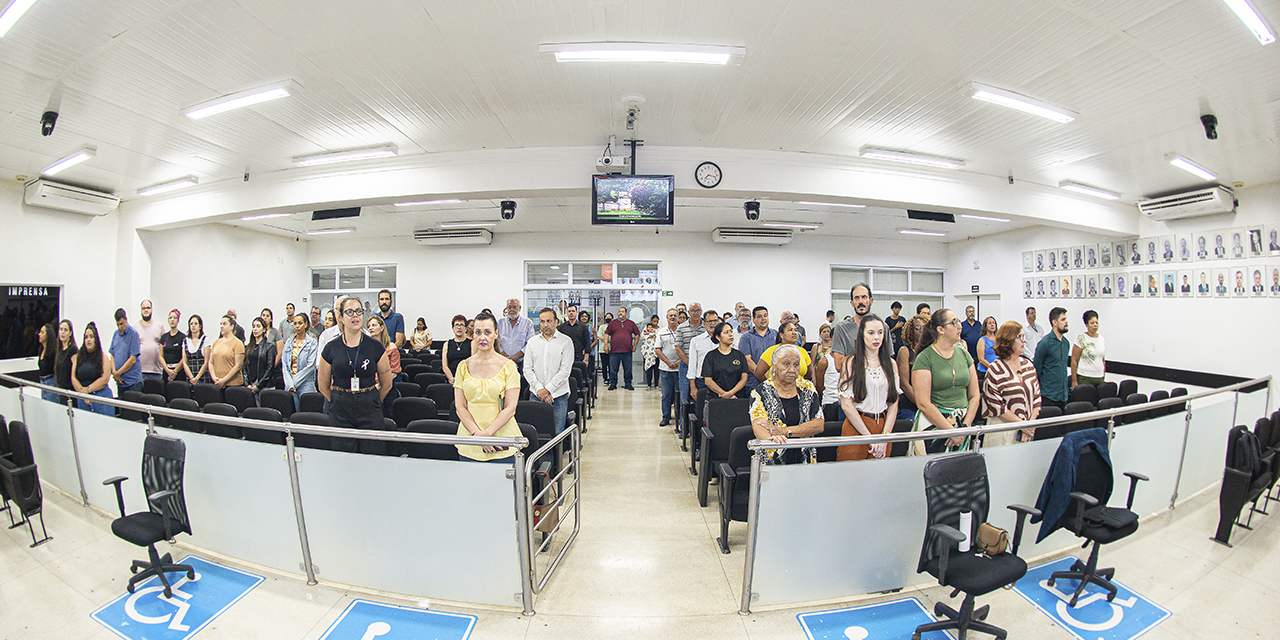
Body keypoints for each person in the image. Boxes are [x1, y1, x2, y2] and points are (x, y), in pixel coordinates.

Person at [319, 297, 394, 453]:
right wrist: (338, 400)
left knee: (373, 452)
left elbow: (386, 383)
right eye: (349, 312)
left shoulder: (375, 346)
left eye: (359, 311)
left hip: (369, 406)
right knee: (343, 455)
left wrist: (371, 400)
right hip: (340, 408)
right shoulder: (330, 348)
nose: (355, 316)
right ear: (340, 317)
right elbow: (323, 385)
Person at [910, 309, 980, 456]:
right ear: (940, 329)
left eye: (958, 321)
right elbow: (923, 403)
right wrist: (950, 431)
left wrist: (964, 428)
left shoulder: (964, 354)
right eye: (954, 322)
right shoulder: (925, 358)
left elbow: (974, 395)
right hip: (934, 425)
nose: (959, 326)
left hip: (961, 425)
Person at [453, 312, 522, 462]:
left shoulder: (508, 366)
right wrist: (477, 435)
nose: (482, 337)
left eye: (487, 332)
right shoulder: (463, 366)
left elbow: (510, 408)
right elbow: (460, 406)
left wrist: (487, 434)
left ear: (496, 334)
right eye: (478, 332)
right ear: (472, 335)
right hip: (470, 440)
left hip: (500, 441)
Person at [836, 314, 899, 461]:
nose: (876, 337)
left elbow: (893, 403)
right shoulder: (851, 362)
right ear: (862, 335)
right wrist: (870, 438)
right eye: (871, 333)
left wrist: (884, 436)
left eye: (880, 332)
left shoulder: (891, 364)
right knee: (851, 477)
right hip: (857, 425)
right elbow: (846, 405)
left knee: (879, 478)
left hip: (883, 426)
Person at [749, 344, 824, 465]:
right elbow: (759, 426)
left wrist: (786, 431)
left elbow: (818, 425)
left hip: (805, 457)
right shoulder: (760, 391)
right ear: (774, 366)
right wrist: (773, 438)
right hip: (774, 457)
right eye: (786, 364)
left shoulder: (808, 388)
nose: (792, 369)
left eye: (796, 364)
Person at [981, 321, 1042, 447]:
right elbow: (997, 406)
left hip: (1027, 432)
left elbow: (1037, 399)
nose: (1024, 340)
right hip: (1002, 433)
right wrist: (1022, 425)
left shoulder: (1028, 365)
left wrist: (1029, 425)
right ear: (1008, 340)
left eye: (1024, 336)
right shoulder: (995, 369)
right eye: (1020, 337)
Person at [525, 307, 574, 434]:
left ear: (556, 322)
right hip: (537, 395)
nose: (545, 325)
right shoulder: (532, 342)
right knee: (536, 432)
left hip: (558, 395)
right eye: (542, 321)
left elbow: (565, 371)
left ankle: (556, 454)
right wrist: (540, 390)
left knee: (557, 433)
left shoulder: (566, 342)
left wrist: (548, 390)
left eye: (549, 321)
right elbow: (527, 370)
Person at [702, 322, 749, 419]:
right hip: (716, 399)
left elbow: (744, 379)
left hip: (737, 399)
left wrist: (730, 393)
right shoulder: (711, 356)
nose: (730, 334)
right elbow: (708, 380)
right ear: (718, 337)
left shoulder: (740, 355)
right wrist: (724, 394)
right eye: (726, 332)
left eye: (731, 332)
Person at [71, 322, 114, 416]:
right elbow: (73, 377)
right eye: (86, 337)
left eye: (91, 336)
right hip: (83, 399)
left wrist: (88, 390)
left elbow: (104, 379)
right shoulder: (79, 357)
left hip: (101, 399)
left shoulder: (103, 356)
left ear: (96, 339)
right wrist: (83, 393)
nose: (88, 340)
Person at [1034, 307, 1071, 410]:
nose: (1066, 322)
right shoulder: (1045, 343)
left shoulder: (1066, 343)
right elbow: (1037, 369)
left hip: (1063, 395)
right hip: (1048, 396)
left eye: (1066, 319)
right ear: (1054, 322)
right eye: (1063, 319)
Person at [830, 284, 873, 370]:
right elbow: (838, 366)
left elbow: (887, 362)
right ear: (852, 303)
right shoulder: (841, 328)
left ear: (871, 301)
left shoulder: (882, 328)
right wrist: (861, 352)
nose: (861, 301)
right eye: (857, 298)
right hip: (851, 381)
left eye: (864, 297)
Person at [895, 312, 928, 422]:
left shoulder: (932, 351)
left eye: (925, 327)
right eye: (918, 328)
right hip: (909, 404)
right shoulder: (905, 351)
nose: (922, 331)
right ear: (911, 331)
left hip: (929, 403)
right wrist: (922, 404)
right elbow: (904, 384)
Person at [282, 313, 318, 411]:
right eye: (295, 323)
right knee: (291, 415)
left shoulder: (312, 342)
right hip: (289, 384)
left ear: (306, 324)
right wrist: (290, 384)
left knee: (306, 416)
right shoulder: (289, 342)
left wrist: (294, 382)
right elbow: (284, 365)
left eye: (300, 323)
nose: (297, 326)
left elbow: (310, 366)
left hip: (305, 383)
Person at [366, 314, 401, 416]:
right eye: (369, 326)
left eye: (374, 325)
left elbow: (394, 372)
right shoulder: (366, 348)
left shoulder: (391, 347)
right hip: (370, 389)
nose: (371, 328)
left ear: (381, 328)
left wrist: (379, 385)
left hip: (387, 388)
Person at [739, 305, 778, 391]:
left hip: (775, 383)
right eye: (759, 316)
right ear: (753, 320)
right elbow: (747, 360)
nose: (763, 318)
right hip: (753, 383)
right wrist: (763, 377)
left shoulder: (776, 334)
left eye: (765, 316)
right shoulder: (746, 337)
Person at [106, 308, 143, 395]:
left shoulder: (133, 334)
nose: (120, 327)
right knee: (121, 408)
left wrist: (118, 373)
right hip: (120, 382)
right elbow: (112, 354)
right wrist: (114, 372)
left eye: (122, 324)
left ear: (126, 320)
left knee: (132, 408)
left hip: (132, 382)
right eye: (117, 324)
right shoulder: (116, 334)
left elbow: (132, 359)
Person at [655, 308, 681, 427]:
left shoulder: (682, 331)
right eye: (670, 315)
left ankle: (680, 417)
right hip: (665, 369)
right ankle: (665, 417)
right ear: (667, 318)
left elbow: (687, 349)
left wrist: (679, 362)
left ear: (678, 317)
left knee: (680, 394)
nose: (673, 317)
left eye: (675, 315)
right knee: (666, 395)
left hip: (680, 369)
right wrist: (668, 362)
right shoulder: (661, 332)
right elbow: (658, 350)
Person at [607, 306, 642, 390]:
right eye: (619, 311)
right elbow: (606, 334)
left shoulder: (631, 323)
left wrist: (635, 345)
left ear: (626, 313)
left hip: (627, 350)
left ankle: (628, 383)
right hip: (614, 350)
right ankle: (613, 383)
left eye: (622, 311)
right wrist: (605, 344)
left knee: (628, 368)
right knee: (613, 368)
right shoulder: (613, 323)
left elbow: (637, 334)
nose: (620, 313)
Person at [497, 298, 535, 371]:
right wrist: (507, 358)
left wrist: (515, 357)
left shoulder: (527, 323)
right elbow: (497, 342)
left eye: (514, 307)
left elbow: (530, 343)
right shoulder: (500, 323)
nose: (512, 310)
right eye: (509, 307)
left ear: (519, 308)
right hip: (503, 363)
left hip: (521, 364)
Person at [243, 317, 277, 398]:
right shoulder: (248, 347)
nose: (255, 329)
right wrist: (247, 384)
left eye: (258, 326)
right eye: (253, 326)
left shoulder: (269, 346)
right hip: (251, 385)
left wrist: (259, 386)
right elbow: (244, 366)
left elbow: (270, 368)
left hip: (265, 386)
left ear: (264, 329)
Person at [1071, 310, 1106, 387]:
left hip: (1099, 377)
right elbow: (1074, 360)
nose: (1095, 325)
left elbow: (1102, 359)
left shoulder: (1101, 338)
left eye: (1096, 322)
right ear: (1087, 325)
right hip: (1085, 377)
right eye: (1092, 323)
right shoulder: (1081, 338)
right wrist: (1074, 381)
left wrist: (1103, 376)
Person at [209, 315, 246, 389]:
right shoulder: (216, 342)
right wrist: (214, 377)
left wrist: (224, 380)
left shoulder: (237, 343)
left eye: (224, 324)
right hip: (217, 383)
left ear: (232, 326)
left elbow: (238, 365)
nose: (222, 326)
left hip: (233, 385)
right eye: (221, 324)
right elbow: (211, 362)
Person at [136, 300, 165, 381]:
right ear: (141, 310)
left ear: (152, 309)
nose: (146, 310)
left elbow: (164, 346)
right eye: (144, 308)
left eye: (148, 308)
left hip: (156, 371)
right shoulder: (135, 327)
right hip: (140, 371)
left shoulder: (159, 326)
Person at [557, 304, 592, 368]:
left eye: (573, 311)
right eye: (569, 311)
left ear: (576, 313)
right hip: (565, 356)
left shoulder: (583, 327)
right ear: (567, 313)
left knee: (580, 375)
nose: (571, 313)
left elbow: (587, 342)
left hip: (579, 356)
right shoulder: (562, 327)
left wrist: (586, 358)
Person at [442, 314, 473, 384]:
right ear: (453, 328)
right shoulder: (447, 344)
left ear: (465, 328)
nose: (459, 327)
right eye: (457, 325)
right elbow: (445, 366)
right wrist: (451, 378)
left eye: (462, 325)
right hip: (451, 379)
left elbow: (473, 364)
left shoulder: (472, 343)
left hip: (467, 379)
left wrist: (461, 379)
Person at [181, 315, 211, 383]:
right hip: (190, 377)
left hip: (203, 377)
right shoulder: (185, 341)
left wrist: (197, 378)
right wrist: (192, 378)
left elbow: (206, 362)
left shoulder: (205, 340)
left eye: (195, 323)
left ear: (200, 326)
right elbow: (184, 362)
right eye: (191, 324)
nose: (193, 326)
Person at [54, 319, 77, 403]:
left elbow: (76, 371)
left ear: (70, 333)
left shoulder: (72, 350)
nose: (62, 332)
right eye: (61, 329)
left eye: (65, 330)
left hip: (70, 393)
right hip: (61, 391)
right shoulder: (60, 350)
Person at [160, 310, 186, 382]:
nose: (172, 320)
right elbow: (160, 356)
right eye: (170, 318)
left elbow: (184, 357)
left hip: (179, 371)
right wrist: (168, 371)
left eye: (174, 318)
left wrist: (175, 372)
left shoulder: (182, 337)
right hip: (166, 370)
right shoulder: (164, 337)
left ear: (178, 320)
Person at [37, 322, 58, 403]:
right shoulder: (41, 350)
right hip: (42, 382)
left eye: (42, 332)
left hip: (50, 382)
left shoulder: (53, 352)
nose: (39, 334)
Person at [976, 316, 998, 389]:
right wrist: (993, 368)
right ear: (985, 326)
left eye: (993, 323)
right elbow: (981, 359)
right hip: (985, 372)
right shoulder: (982, 340)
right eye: (989, 323)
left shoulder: (998, 340)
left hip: (998, 371)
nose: (992, 325)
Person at [641, 314, 660, 389]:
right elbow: (643, 336)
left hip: (656, 352)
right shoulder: (646, 328)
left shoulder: (659, 329)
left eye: (657, 321)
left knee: (656, 369)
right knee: (648, 369)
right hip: (648, 352)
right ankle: (648, 384)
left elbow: (659, 338)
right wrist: (649, 334)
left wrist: (654, 335)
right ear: (651, 321)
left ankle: (656, 384)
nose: (655, 323)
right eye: (654, 321)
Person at [597, 312, 613, 385]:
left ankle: (611, 378)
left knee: (611, 365)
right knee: (604, 364)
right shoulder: (602, 327)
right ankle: (605, 379)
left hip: (612, 348)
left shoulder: (614, 326)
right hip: (602, 349)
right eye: (606, 317)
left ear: (612, 318)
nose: (608, 318)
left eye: (609, 317)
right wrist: (608, 339)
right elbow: (599, 336)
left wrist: (607, 339)